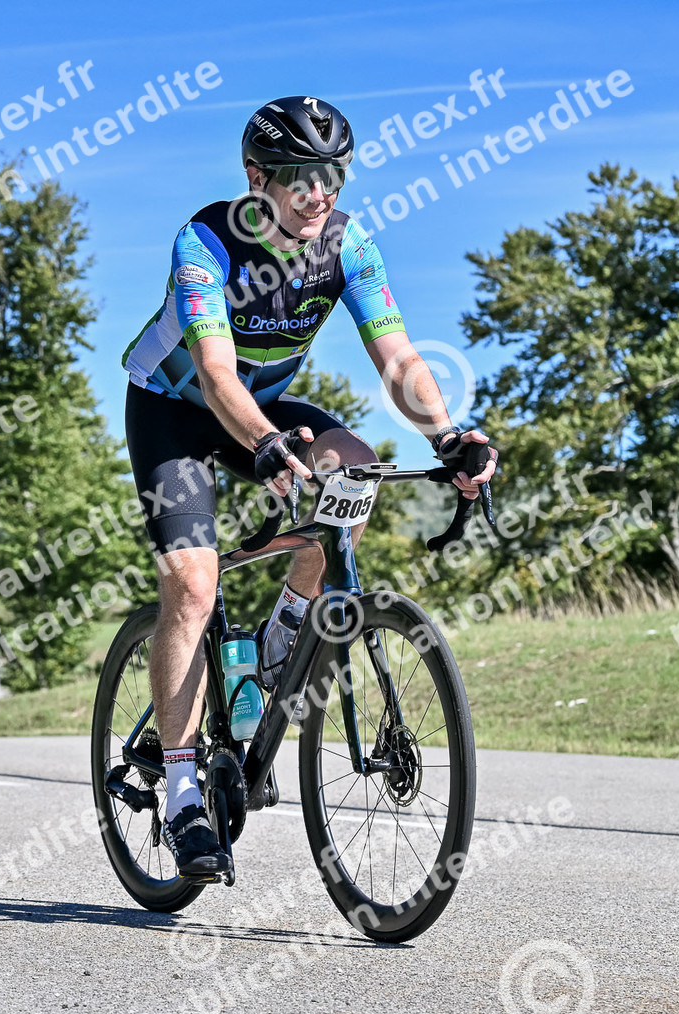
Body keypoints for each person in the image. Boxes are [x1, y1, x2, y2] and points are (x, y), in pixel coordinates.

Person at [121, 96, 496, 877]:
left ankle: (283, 633)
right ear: (257, 177)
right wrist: (261, 442)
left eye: (332, 174)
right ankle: (184, 791)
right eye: (299, 176)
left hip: (265, 408)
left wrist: (449, 437)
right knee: (193, 585)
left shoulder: (347, 243)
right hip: (178, 410)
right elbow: (216, 372)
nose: (319, 192)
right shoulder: (206, 242)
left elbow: (398, 358)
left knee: (353, 466)